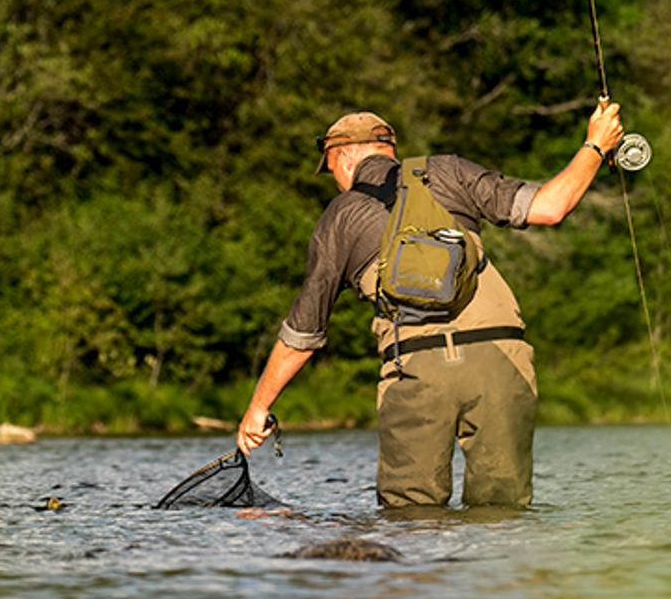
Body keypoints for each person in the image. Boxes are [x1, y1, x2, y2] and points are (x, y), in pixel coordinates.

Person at [235, 103, 625, 507]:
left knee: (411, 518)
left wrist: (258, 408)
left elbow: (303, 334)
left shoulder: (340, 217)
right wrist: (595, 145)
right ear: (389, 149)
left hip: (414, 370)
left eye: (331, 168)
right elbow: (549, 207)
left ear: (345, 156)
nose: (335, 180)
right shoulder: (450, 171)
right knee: (504, 515)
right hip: (500, 360)